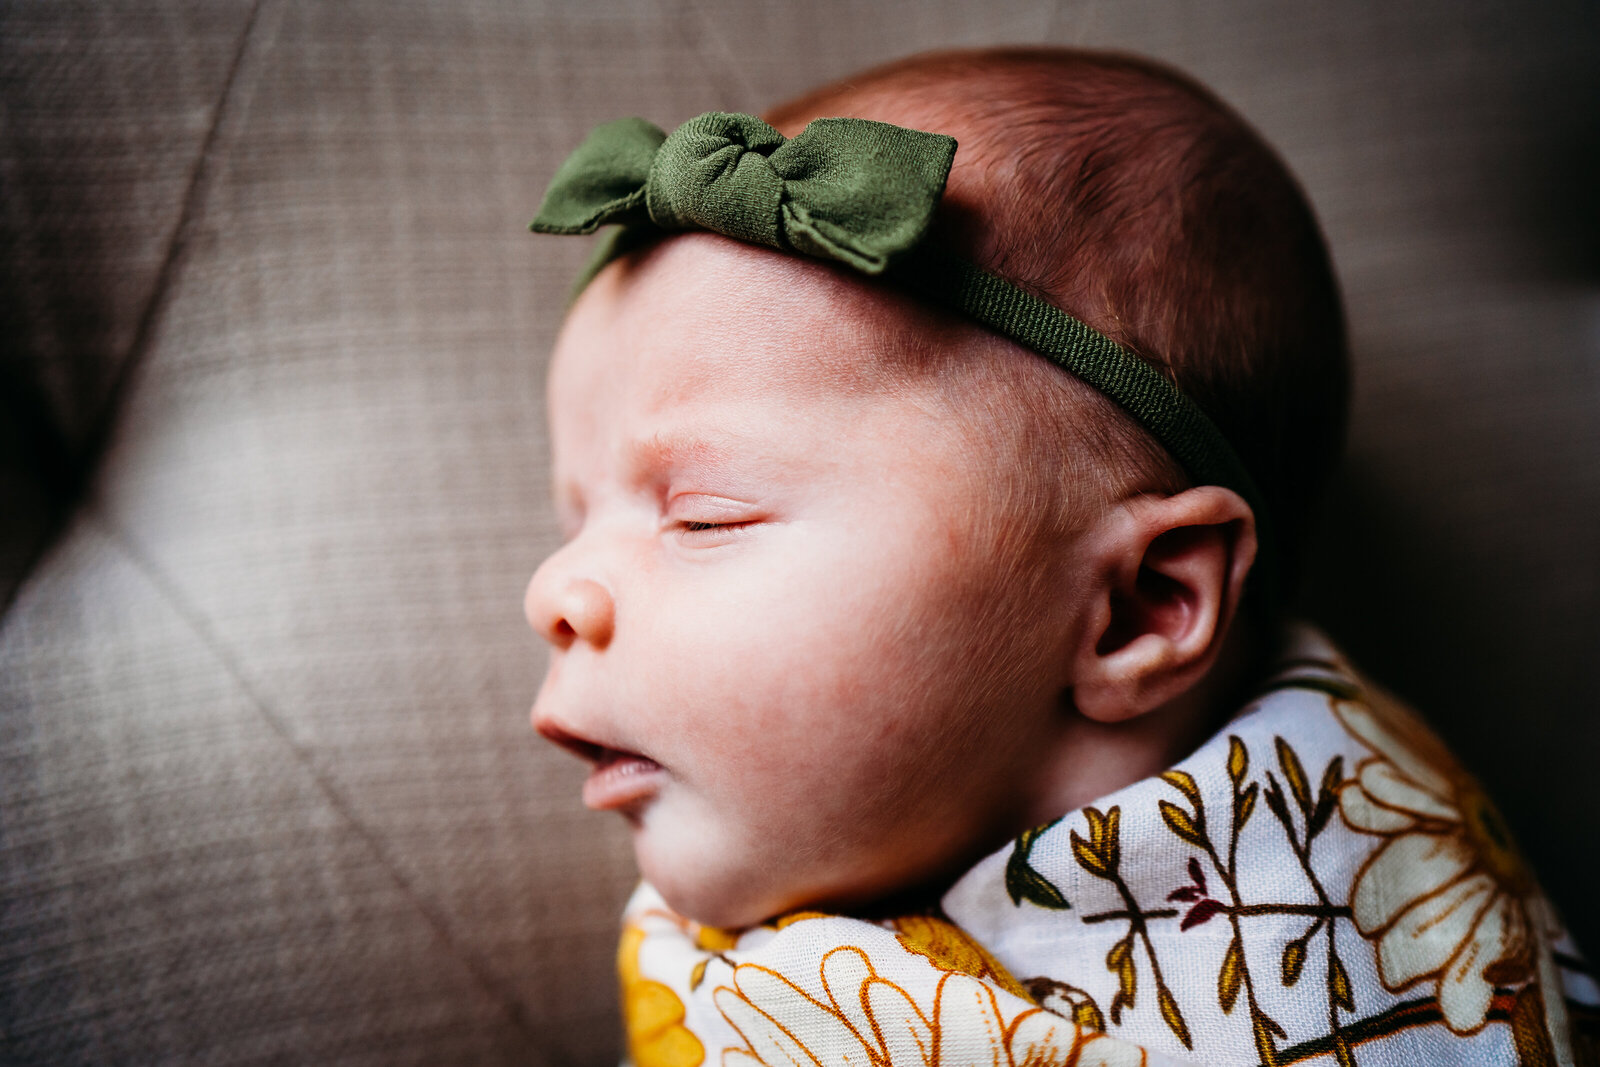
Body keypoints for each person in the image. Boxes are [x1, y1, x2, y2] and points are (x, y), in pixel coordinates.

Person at [524, 49, 1597, 1065]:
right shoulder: (766, 901)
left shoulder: (1364, 900)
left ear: (1139, 605)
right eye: (575, 519)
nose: (553, 590)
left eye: (705, 515)